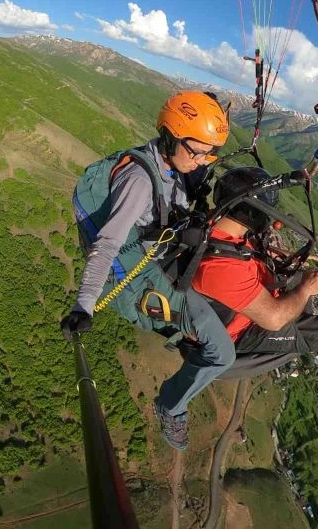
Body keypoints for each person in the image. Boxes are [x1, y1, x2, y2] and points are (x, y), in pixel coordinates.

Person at [61, 91, 235, 451]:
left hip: (157, 253)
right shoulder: (140, 182)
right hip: (134, 277)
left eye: (209, 154)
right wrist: (83, 305)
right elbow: (107, 244)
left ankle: (186, 338)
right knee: (223, 352)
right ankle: (171, 406)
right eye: (196, 152)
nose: (201, 161)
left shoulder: (171, 165)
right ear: (170, 137)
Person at [192, 166, 318, 408]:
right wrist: (307, 289)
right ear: (253, 212)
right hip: (243, 330)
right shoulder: (221, 268)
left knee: (297, 277)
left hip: (240, 302)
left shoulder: (214, 226)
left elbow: (243, 252)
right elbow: (274, 320)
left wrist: (282, 258)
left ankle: (307, 333)